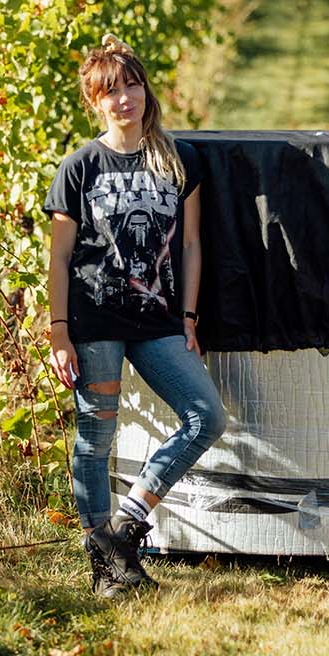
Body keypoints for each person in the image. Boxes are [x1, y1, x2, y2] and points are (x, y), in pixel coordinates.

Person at [45, 35, 228, 597]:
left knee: (207, 416)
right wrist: (57, 330)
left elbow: (192, 244)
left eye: (132, 86)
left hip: (158, 323)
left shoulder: (178, 160)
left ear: (146, 91)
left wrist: (189, 317)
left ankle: (125, 525)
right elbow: (59, 254)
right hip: (94, 322)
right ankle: (106, 571)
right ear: (94, 102)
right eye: (111, 91)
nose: (124, 99)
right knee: (95, 440)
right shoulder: (78, 167)